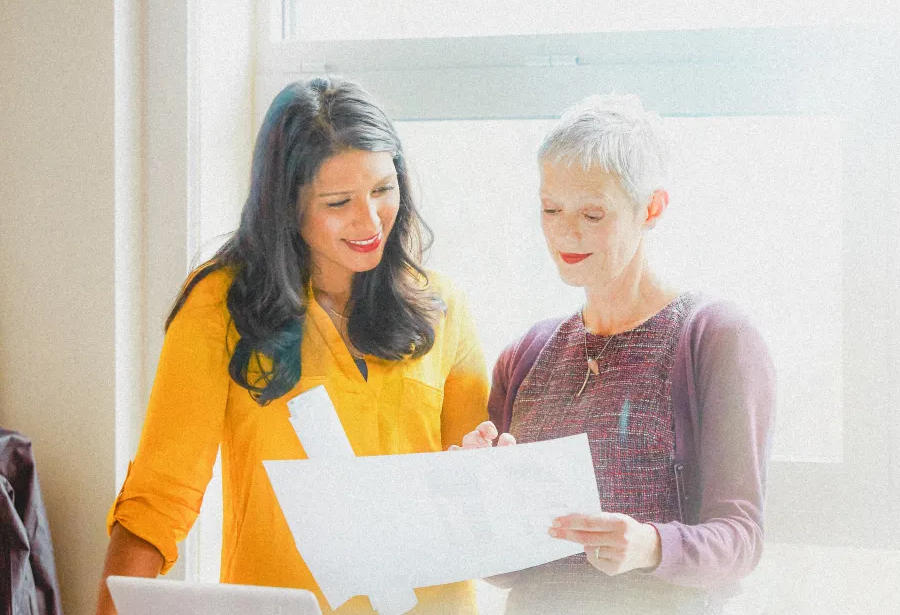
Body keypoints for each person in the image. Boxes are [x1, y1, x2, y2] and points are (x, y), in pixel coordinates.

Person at [96, 78, 490, 615]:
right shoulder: (220, 306)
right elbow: (158, 500)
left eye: (382, 188)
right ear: (287, 205)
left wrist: (494, 474)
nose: (370, 220)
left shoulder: (442, 305)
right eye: (338, 202)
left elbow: (471, 491)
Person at [465, 95, 777, 615]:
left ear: (650, 208)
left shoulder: (715, 339)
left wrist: (651, 545)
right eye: (550, 209)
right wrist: (478, 491)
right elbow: (503, 566)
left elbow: (741, 537)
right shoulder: (525, 356)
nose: (566, 231)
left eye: (592, 213)